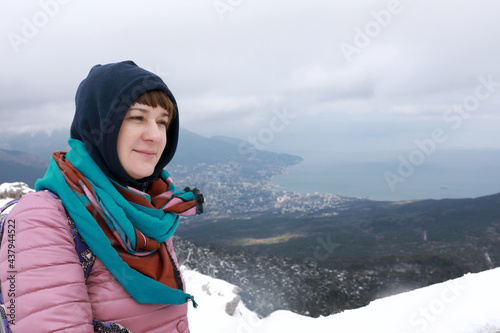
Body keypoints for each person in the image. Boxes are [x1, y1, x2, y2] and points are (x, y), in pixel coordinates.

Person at [0, 61, 204, 332]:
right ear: (98, 124)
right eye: (137, 117)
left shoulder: (147, 209)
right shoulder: (40, 220)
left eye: (163, 122)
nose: (155, 135)